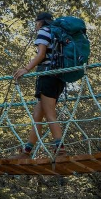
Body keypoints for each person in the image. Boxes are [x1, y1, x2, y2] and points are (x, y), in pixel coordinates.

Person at [13, 12, 65, 158]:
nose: (35, 26)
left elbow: (41, 54)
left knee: (49, 114)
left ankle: (60, 149)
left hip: (47, 76)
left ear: (41, 22)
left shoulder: (44, 31)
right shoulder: (56, 33)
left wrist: (26, 69)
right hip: (58, 77)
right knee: (37, 115)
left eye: (36, 23)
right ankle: (27, 151)